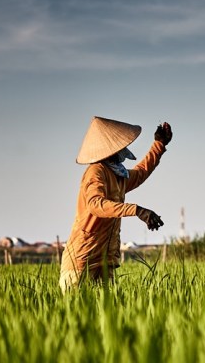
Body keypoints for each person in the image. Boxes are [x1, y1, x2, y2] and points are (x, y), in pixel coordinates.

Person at [59, 116, 173, 292]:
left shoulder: (117, 175)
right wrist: (137, 210)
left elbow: (140, 172)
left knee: (108, 315)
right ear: (110, 149)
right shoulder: (96, 172)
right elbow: (96, 204)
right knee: (75, 314)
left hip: (106, 260)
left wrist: (159, 145)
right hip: (82, 260)